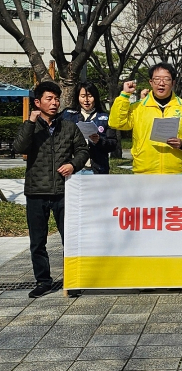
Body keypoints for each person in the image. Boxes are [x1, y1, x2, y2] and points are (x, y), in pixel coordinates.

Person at [13, 81, 90, 298]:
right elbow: (19, 148)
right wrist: (30, 122)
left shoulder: (68, 126)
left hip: (64, 192)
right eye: (49, 98)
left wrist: (73, 164)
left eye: (56, 99)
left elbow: (82, 150)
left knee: (70, 238)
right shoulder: (32, 126)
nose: (54, 102)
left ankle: (72, 280)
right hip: (36, 192)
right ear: (37, 102)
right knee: (38, 241)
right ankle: (43, 281)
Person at [108, 62, 182, 174]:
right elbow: (116, 123)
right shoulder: (138, 107)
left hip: (177, 173)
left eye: (166, 79)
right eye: (157, 79)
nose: (161, 83)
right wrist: (124, 95)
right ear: (151, 82)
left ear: (173, 82)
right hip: (144, 173)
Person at [61, 81, 117, 174]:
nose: (86, 100)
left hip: (97, 169)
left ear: (95, 97)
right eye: (82, 96)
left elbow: (113, 144)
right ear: (77, 97)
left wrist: (99, 141)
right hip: (73, 170)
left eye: (90, 96)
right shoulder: (69, 115)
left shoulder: (105, 117)